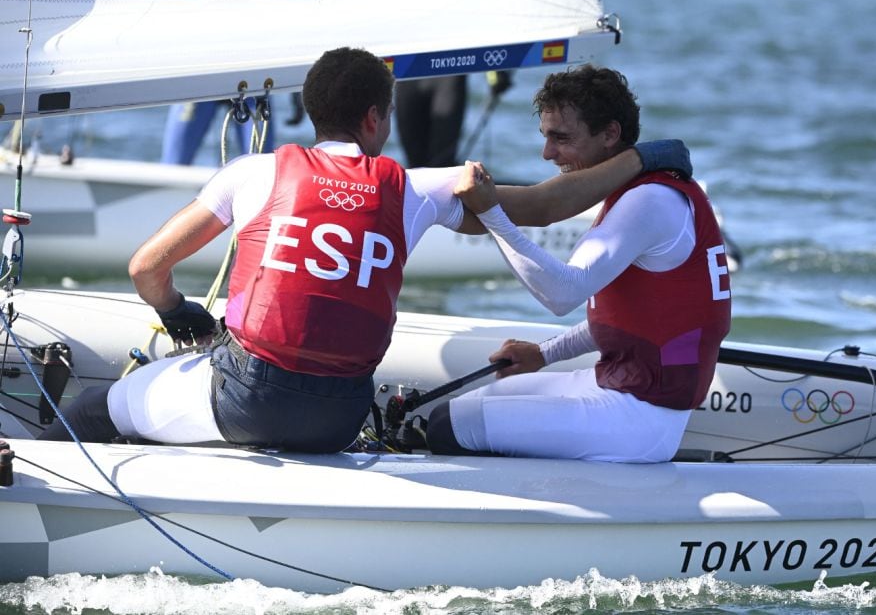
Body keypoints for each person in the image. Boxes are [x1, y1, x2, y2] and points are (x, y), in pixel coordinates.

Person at [38, 47, 694, 453]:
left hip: (247, 399)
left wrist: (181, 314)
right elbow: (543, 204)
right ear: (377, 119)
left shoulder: (251, 173)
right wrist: (642, 160)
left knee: (99, 408)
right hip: (340, 413)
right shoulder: (412, 188)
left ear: (311, 110)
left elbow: (145, 268)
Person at [427, 64, 731, 463]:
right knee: (468, 405)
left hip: (639, 419)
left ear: (610, 135)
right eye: (545, 137)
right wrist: (545, 354)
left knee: (448, 426)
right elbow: (628, 320)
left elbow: (562, 294)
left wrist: (492, 213)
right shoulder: (639, 192)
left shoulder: (650, 201)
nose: (547, 153)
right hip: (615, 388)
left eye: (561, 138)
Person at [161, 0, 279, 165]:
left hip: (250, 72)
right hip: (202, 72)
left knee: (262, 165)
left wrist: (297, 93)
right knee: (174, 164)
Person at [395, 71, 511, 168]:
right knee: (414, 165)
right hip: (407, 77)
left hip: (449, 76)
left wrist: (494, 72)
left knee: (442, 163)